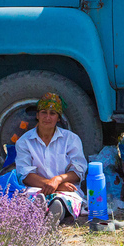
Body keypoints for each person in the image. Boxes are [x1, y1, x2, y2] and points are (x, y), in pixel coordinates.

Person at [14, 92, 89, 223]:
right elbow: (25, 175)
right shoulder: (24, 141)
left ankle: (55, 213)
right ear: (37, 115)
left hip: (66, 190)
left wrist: (58, 179)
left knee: (62, 200)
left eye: (52, 113)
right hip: (39, 188)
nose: (47, 117)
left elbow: (79, 172)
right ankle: (39, 210)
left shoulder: (71, 139)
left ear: (58, 118)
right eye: (44, 112)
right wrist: (56, 186)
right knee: (31, 197)